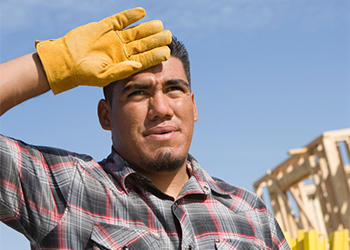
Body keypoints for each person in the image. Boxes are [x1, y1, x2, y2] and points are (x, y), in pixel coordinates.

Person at [0, 7, 290, 250]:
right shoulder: (66, 189)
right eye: (138, 93)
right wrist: (55, 63)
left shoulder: (251, 214)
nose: (162, 109)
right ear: (106, 116)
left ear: (194, 107)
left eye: (174, 89)